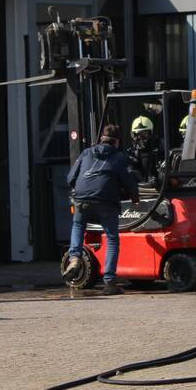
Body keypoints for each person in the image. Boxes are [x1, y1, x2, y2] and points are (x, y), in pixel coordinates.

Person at [64, 124, 140, 295]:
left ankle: (75, 257)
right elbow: (130, 182)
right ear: (117, 142)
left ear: (101, 139)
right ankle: (109, 282)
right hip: (106, 201)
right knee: (112, 238)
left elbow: (70, 178)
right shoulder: (119, 157)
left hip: (81, 199)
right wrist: (135, 199)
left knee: (78, 225)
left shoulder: (86, 153)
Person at [126, 115, 163, 188]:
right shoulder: (131, 152)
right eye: (138, 134)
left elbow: (165, 171)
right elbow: (129, 172)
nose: (140, 137)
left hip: (159, 190)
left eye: (144, 134)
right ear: (133, 135)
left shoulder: (160, 148)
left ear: (150, 134)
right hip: (140, 191)